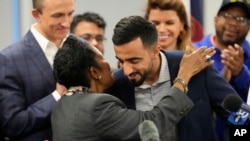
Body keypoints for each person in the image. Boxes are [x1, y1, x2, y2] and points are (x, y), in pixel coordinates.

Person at [51, 34, 213, 141]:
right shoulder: (97, 107)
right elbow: (152, 122)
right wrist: (183, 76)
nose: (119, 67)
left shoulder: (61, 107)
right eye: (103, 59)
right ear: (94, 72)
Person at [106, 15, 239, 141]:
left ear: (155, 51)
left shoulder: (195, 67)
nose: (127, 70)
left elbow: (241, 115)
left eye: (134, 60)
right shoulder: (116, 85)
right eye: (121, 61)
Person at [0, 0, 74, 140]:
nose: (67, 23)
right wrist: (57, 96)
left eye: (70, 13)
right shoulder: (9, 59)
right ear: (36, 14)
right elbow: (13, 124)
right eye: (58, 15)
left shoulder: (82, 47)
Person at [193, 0, 250, 140]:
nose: (233, 23)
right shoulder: (194, 51)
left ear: (249, 26)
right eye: (227, 15)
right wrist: (220, 81)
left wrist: (240, 73)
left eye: (241, 19)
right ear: (216, 19)